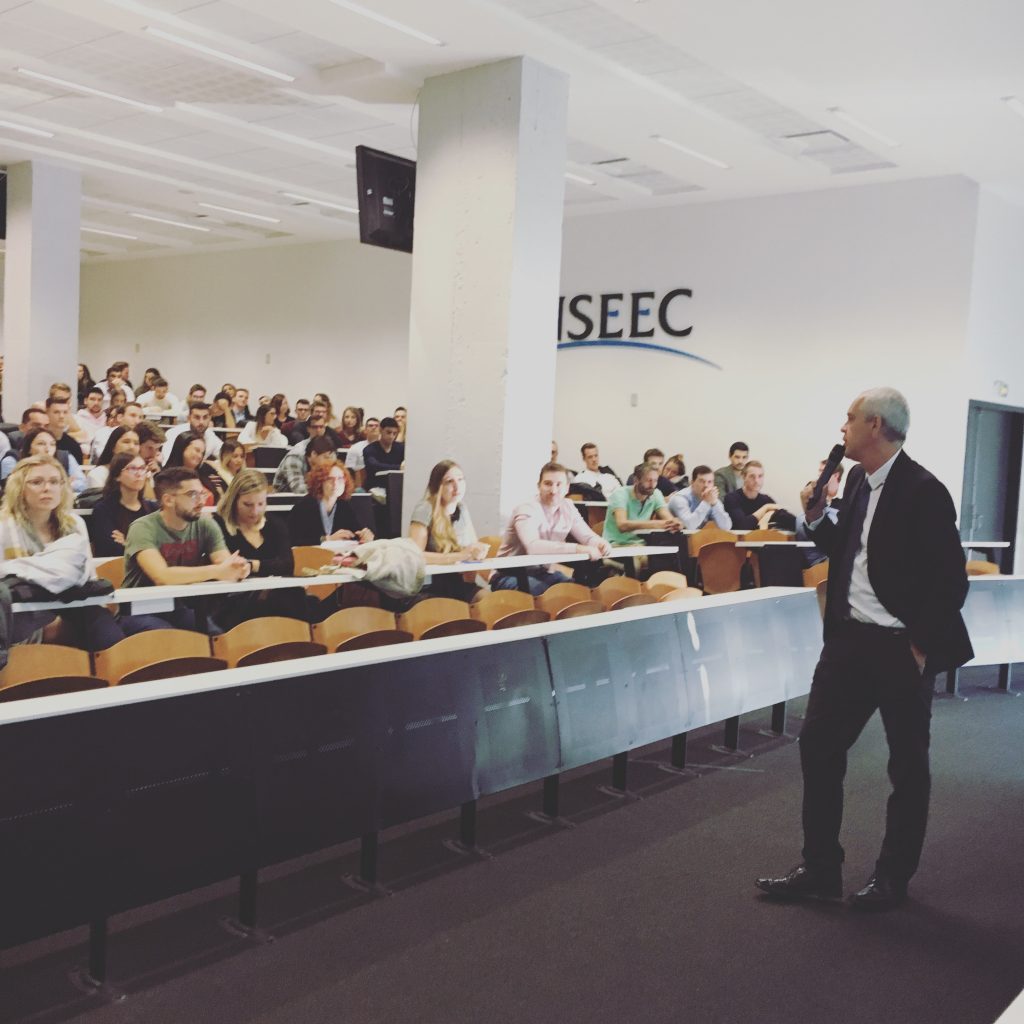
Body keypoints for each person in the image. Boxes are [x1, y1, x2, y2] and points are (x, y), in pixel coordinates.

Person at [756, 388, 973, 912]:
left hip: (901, 647)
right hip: (849, 644)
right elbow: (849, 550)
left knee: (907, 765)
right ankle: (821, 868)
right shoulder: (854, 479)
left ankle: (892, 877)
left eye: (850, 418)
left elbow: (951, 581)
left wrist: (920, 645)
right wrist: (816, 516)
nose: (842, 427)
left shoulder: (924, 491)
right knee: (818, 745)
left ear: (875, 426)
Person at [0, 455, 136, 649]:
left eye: (55, 482)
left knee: (99, 618)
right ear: (19, 488)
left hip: (72, 607)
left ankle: (118, 670)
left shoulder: (74, 523)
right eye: (36, 482)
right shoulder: (3, 526)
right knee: (95, 621)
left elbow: (88, 578)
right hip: (22, 617)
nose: (47, 488)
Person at [123, 467, 251, 630]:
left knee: (216, 636)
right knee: (172, 639)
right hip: (139, 608)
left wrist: (239, 567)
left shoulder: (205, 524)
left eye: (202, 493)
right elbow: (162, 577)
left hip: (177, 606)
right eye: (192, 495)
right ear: (168, 500)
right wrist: (218, 570)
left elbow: (224, 563)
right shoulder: (142, 528)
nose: (201, 501)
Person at [493, 462, 611, 595]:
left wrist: (600, 543)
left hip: (543, 572)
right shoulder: (526, 508)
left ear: (567, 488)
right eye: (548, 484)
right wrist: (578, 549)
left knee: (578, 593)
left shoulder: (568, 506)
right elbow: (533, 547)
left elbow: (587, 537)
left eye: (559, 484)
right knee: (549, 596)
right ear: (539, 486)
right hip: (508, 574)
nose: (553, 490)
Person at [213, 469, 312, 627]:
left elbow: (286, 565)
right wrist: (267, 566)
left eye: (261, 504)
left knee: (296, 596)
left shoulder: (276, 524)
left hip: (274, 594)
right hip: (233, 598)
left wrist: (252, 565)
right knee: (293, 597)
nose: (255, 511)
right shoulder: (218, 524)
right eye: (248, 504)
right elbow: (228, 568)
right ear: (234, 500)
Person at [409, 460, 489, 600]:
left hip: (457, 583)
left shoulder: (462, 509)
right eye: (449, 482)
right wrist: (459, 556)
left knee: (488, 601)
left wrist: (476, 552)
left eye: (460, 479)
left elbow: (470, 548)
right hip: (428, 586)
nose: (457, 487)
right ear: (437, 486)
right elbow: (415, 556)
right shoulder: (425, 508)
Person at [287, 462, 373, 547]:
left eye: (340, 479)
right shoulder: (303, 506)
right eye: (329, 479)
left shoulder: (344, 506)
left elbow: (355, 533)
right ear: (320, 482)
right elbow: (294, 541)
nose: (335, 483)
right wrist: (327, 539)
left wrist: (364, 536)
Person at [89, 452, 157, 556]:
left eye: (142, 468)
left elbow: (162, 545)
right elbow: (110, 548)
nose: (139, 474)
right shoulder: (103, 510)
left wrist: (127, 543)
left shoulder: (153, 508)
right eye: (132, 469)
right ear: (117, 476)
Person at [604, 462, 683, 545]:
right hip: (615, 544)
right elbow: (622, 525)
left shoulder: (656, 493)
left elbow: (668, 520)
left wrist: (675, 524)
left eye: (655, 480)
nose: (652, 485)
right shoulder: (620, 494)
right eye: (648, 480)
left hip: (640, 545)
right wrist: (656, 524)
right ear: (636, 480)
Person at [2, 427, 88, 494]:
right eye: (41, 444)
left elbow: (82, 484)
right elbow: (10, 489)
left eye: (52, 444)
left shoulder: (65, 457)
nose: (48, 449)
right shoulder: (13, 460)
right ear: (28, 448)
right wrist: (61, 484)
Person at [273, 426, 337, 495]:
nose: (329, 462)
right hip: (285, 500)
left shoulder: (326, 464)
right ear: (314, 454)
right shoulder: (294, 458)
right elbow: (299, 490)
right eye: (326, 457)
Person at [668, 464, 732, 530]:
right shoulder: (679, 498)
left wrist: (715, 504)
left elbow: (726, 527)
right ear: (692, 482)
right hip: (674, 538)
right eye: (702, 481)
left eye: (709, 482)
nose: (706, 485)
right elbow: (689, 526)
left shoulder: (711, 498)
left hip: (698, 538)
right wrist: (706, 503)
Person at [723, 460, 779, 530]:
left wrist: (768, 515)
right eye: (752, 476)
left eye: (760, 476)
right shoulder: (731, 498)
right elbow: (743, 526)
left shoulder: (766, 499)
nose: (756, 480)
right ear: (743, 477)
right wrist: (765, 508)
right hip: (739, 540)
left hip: (761, 539)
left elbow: (785, 519)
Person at [363, 416, 404, 489]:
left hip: (396, 487)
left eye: (394, 433)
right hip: (374, 488)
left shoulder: (401, 448)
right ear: (381, 430)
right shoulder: (369, 449)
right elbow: (375, 466)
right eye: (388, 432)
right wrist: (399, 467)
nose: (391, 436)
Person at [45, 394, 84, 466]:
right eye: (56, 412)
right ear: (47, 413)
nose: (61, 416)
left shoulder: (73, 445)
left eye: (65, 412)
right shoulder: (38, 441)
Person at [345, 416, 380, 490]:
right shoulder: (355, 448)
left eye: (376, 426)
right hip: (360, 485)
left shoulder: (385, 447)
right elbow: (349, 470)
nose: (373, 428)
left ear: (380, 429)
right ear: (365, 430)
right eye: (370, 426)